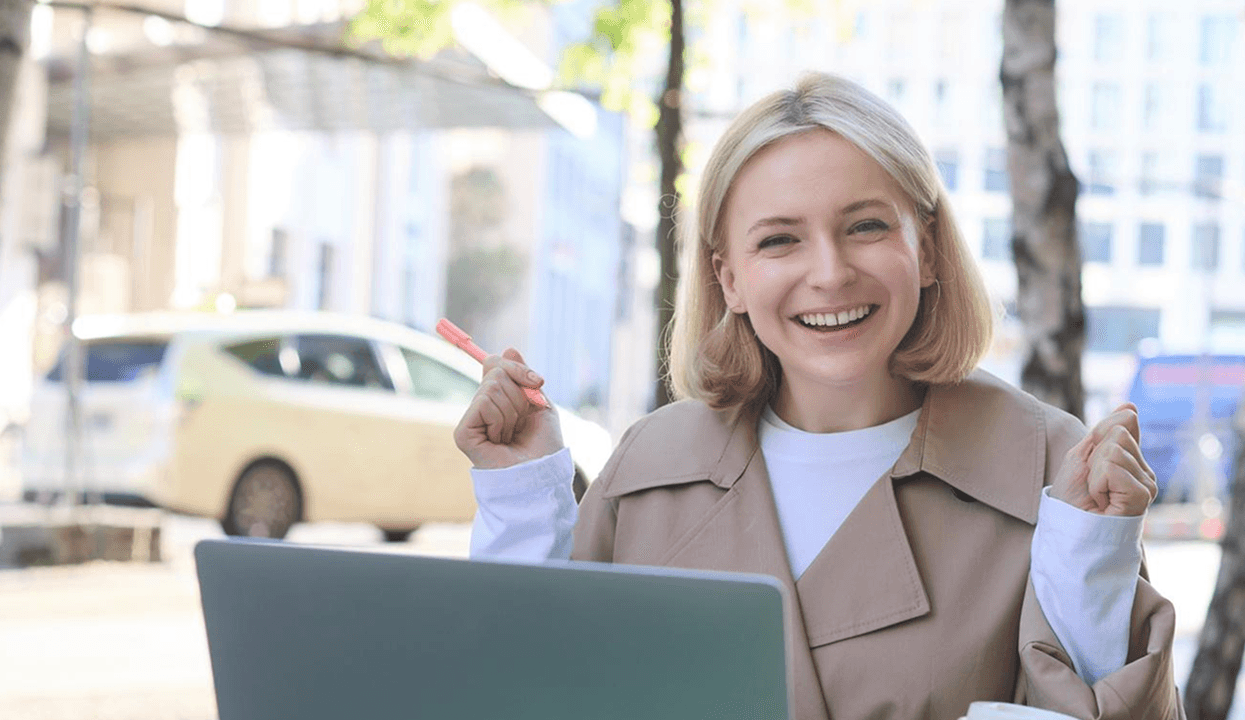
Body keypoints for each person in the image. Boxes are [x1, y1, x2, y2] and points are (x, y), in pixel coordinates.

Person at [453, 73, 1182, 720]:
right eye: (779, 241)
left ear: (925, 249)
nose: (830, 273)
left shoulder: (1049, 471)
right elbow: (539, 683)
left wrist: (1095, 556)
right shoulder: (650, 466)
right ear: (729, 279)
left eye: (865, 227)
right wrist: (522, 496)